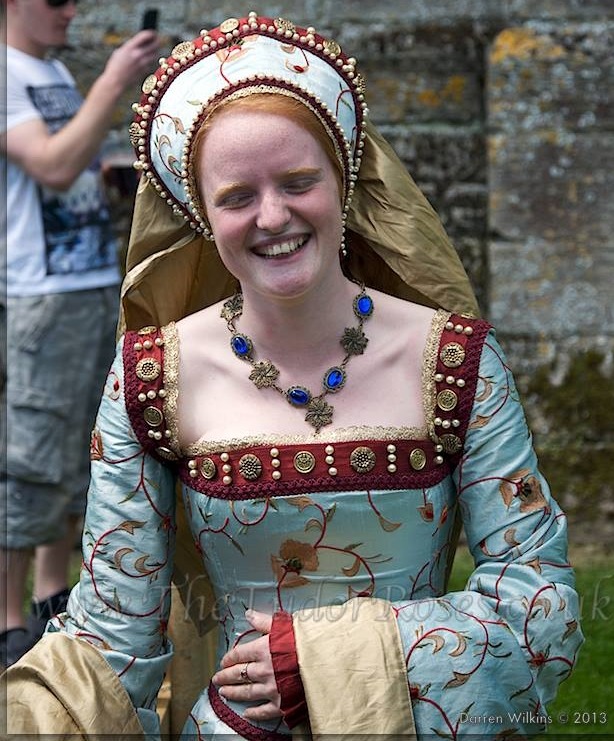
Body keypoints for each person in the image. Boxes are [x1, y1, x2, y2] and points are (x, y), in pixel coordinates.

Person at [2, 11, 583, 739]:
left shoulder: (456, 360)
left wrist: (329, 660)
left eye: (298, 181)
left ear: (342, 182)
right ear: (202, 217)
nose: (272, 216)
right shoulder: (153, 375)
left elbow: (540, 609)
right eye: (237, 197)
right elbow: (111, 635)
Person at [0, 0, 160, 668]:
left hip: (90, 283)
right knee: (32, 455)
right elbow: (52, 164)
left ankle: (52, 593)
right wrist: (114, 81)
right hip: (41, 294)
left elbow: (74, 170)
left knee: (85, 450)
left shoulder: (53, 73)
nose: (71, 9)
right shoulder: (6, 73)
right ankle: (8, 622)